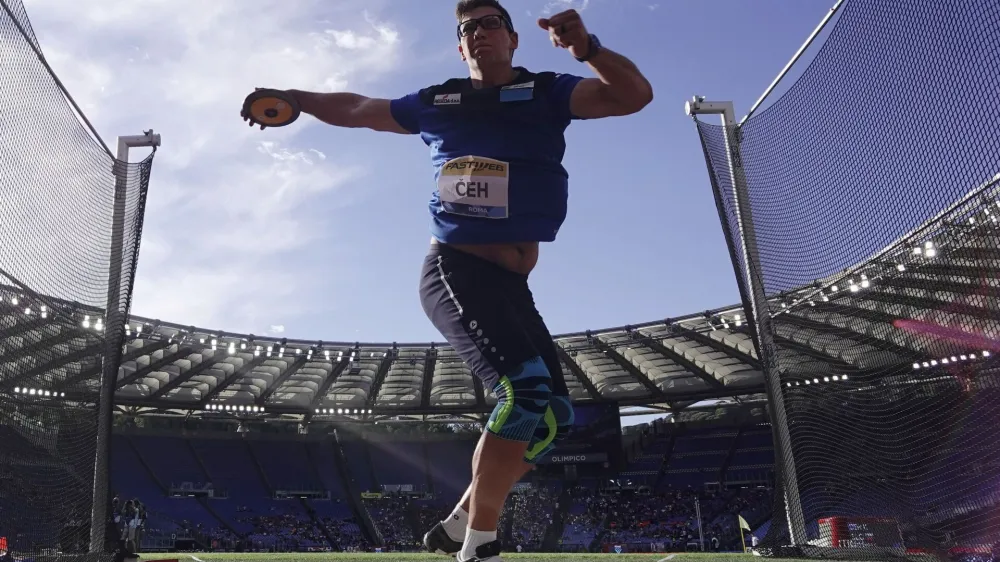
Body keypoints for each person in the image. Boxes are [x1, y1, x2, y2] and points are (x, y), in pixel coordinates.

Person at [241, 1, 652, 559]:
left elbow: (633, 96)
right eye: (468, 28)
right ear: (460, 48)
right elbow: (360, 107)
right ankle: (479, 545)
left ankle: (457, 524)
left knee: (550, 417)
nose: (479, 33)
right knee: (526, 392)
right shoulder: (438, 102)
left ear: (512, 38)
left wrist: (588, 49)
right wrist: (296, 98)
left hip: (510, 284)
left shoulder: (546, 91)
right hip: (455, 269)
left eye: (490, 24)